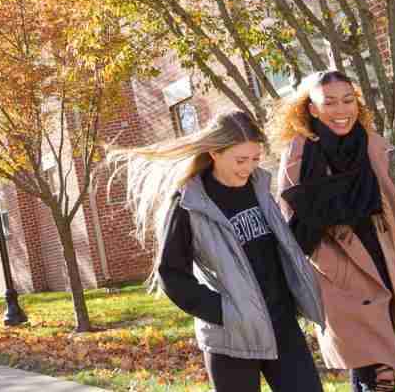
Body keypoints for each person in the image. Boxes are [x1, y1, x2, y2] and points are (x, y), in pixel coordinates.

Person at [105, 110, 325, 392]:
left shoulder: (259, 187)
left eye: (255, 158)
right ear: (214, 154)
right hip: (231, 338)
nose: (248, 168)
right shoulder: (189, 203)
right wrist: (227, 314)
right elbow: (172, 275)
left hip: (282, 325)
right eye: (240, 160)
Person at [272, 70, 395, 391]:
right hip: (337, 267)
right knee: (378, 370)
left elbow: (387, 203)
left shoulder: (368, 144)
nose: (341, 110)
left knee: (372, 360)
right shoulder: (299, 152)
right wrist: (334, 269)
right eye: (330, 102)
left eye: (348, 100)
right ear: (312, 108)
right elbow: (295, 222)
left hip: (380, 255)